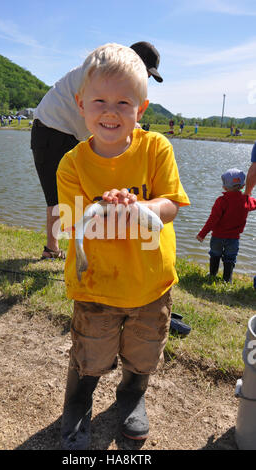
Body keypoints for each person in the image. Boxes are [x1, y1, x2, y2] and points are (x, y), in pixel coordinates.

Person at [56, 43, 190, 450]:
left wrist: (139, 206)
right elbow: (73, 225)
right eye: (99, 100)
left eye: (123, 102)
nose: (110, 111)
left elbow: (170, 205)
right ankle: (77, 404)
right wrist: (103, 207)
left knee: (144, 353)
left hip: (151, 285)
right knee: (89, 355)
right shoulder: (72, 164)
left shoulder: (157, 149)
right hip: (95, 285)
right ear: (81, 104)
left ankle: (132, 395)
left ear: (141, 109)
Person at [31, 41, 163, 260]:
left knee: (86, 196)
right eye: (147, 72)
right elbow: (104, 118)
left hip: (70, 133)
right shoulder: (99, 70)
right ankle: (52, 248)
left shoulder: (112, 73)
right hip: (50, 130)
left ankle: (90, 243)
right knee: (56, 198)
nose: (146, 78)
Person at [196, 168, 256, 283]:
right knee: (230, 258)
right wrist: (248, 195)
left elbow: (212, 220)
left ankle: (212, 275)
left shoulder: (221, 201)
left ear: (224, 187)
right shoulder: (246, 200)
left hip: (218, 236)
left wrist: (202, 234)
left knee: (215, 255)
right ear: (243, 185)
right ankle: (227, 279)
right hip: (234, 238)